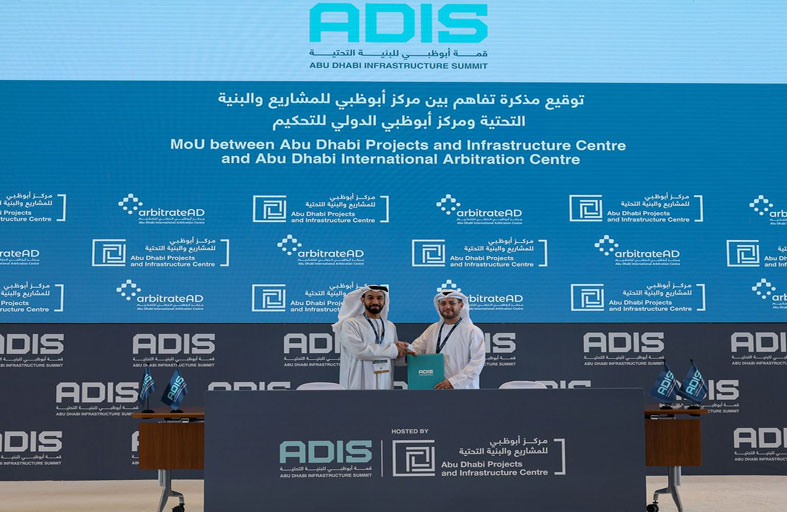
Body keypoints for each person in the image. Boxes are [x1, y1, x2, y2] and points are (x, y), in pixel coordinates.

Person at [333, 285, 411, 390]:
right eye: (370, 298)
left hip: (385, 384)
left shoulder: (390, 326)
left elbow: (393, 357)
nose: (375, 301)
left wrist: (405, 352)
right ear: (362, 300)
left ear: (385, 301)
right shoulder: (351, 324)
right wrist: (395, 349)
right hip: (358, 384)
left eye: (379, 298)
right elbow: (359, 352)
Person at [408, 290, 485, 389]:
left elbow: (476, 363)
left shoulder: (473, 331)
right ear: (439, 307)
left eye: (452, 303)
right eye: (443, 303)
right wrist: (405, 349)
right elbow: (417, 349)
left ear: (461, 306)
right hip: (434, 387)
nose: (447, 307)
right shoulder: (432, 329)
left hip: (463, 389)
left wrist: (453, 382)